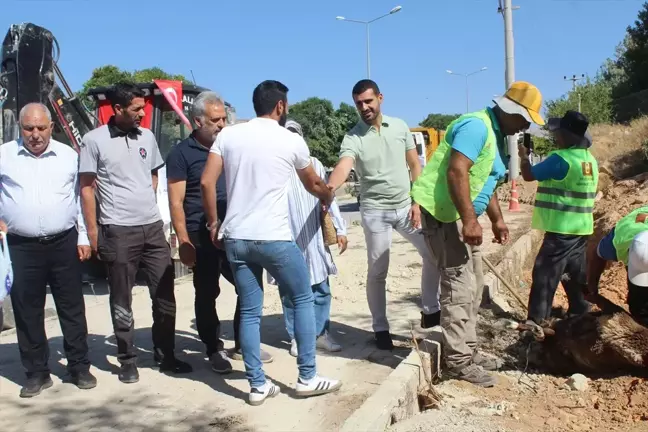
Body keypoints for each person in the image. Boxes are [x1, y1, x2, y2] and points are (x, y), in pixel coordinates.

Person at [201, 80, 342, 406]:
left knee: (250, 311)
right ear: (280, 106)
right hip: (275, 237)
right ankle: (307, 377)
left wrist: (213, 222)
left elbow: (207, 180)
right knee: (304, 297)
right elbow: (313, 183)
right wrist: (327, 194)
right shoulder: (289, 139)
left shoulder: (229, 135)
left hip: (236, 237)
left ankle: (257, 385)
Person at [411, 81, 546, 387]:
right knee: (457, 288)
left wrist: (496, 220)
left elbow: (485, 184)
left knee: (474, 286)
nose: (526, 125)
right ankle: (457, 361)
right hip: (447, 216)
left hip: (461, 216)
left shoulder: (497, 137)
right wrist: (471, 221)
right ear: (512, 111)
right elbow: (456, 172)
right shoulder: (477, 127)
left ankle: (467, 350)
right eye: (526, 118)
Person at [79, 82, 192, 384]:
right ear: (117, 109)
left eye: (143, 108)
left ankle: (166, 354)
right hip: (117, 231)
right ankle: (127, 359)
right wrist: (93, 235)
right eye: (136, 109)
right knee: (121, 299)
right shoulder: (94, 141)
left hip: (153, 229)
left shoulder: (148, 136)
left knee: (165, 294)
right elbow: (87, 189)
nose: (142, 113)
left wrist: (145, 198)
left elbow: (154, 173)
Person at [327, 79, 441, 350]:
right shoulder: (353, 136)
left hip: (405, 207)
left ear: (380, 98)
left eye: (368, 101)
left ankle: (430, 309)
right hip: (375, 211)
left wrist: (418, 200)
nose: (364, 107)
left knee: (434, 254)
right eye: (359, 103)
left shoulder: (400, 126)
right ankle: (380, 328)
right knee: (378, 270)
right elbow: (345, 165)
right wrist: (329, 187)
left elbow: (415, 164)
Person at [166, 91, 272, 374]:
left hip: (236, 230)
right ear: (197, 121)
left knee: (248, 286)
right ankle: (213, 349)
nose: (222, 125)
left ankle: (242, 343)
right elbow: (175, 201)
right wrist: (184, 241)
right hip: (201, 234)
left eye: (224, 118)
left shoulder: (232, 146)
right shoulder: (181, 154)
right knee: (207, 292)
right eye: (215, 120)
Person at [0, 103, 96, 397]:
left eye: (41, 128)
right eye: (29, 128)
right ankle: (36, 372)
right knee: (27, 310)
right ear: (20, 127)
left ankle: (79, 366)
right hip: (20, 245)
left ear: (52, 127)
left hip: (63, 243)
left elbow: (80, 199)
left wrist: (83, 237)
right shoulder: (4, 155)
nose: (35, 134)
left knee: (71, 307)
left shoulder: (68, 156)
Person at [269, 119, 347, 356]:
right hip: (286, 236)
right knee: (290, 290)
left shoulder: (314, 164)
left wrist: (341, 229)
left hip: (313, 238)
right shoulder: (274, 166)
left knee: (321, 288)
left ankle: (321, 334)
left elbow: (328, 197)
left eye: (295, 136)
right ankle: (297, 338)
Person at [519, 111, 598, 325]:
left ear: (568, 134)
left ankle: (536, 323)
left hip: (561, 230)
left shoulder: (560, 159)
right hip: (581, 229)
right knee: (574, 276)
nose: (556, 137)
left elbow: (528, 175)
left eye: (559, 133)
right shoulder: (590, 160)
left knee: (544, 276)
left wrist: (524, 156)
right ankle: (580, 312)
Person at [587, 205, 648, 327]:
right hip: (631, 236)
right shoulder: (618, 242)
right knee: (640, 308)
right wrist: (592, 288)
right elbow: (597, 255)